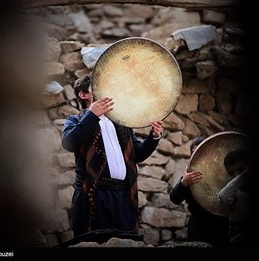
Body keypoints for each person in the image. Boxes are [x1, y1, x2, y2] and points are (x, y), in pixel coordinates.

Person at [61, 73, 163, 240]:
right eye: (96, 86)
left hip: (123, 197)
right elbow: (69, 142)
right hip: (93, 197)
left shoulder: (121, 122)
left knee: (126, 241)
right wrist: (92, 115)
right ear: (83, 95)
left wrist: (154, 136)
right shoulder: (75, 120)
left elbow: (137, 154)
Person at [170, 136, 229, 247]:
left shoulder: (223, 170)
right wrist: (184, 183)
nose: (196, 153)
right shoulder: (190, 174)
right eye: (193, 151)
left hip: (221, 225)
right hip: (198, 226)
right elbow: (174, 198)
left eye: (201, 150)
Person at [218, 148, 252, 247]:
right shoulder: (233, 189)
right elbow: (223, 197)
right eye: (231, 173)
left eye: (240, 170)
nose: (236, 175)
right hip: (237, 234)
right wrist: (242, 176)